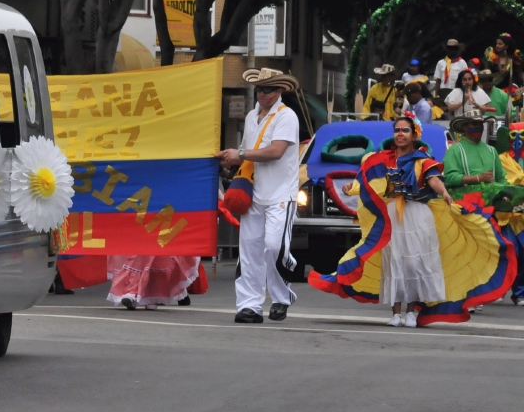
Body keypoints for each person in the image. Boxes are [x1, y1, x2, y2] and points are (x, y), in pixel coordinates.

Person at [310, 115, 511, 326]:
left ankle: (412, 312)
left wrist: (444, 192)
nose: (400, 134)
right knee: (395, 261)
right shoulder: (382, 159)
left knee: (416, 263)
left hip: (417, 215)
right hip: (392, 217)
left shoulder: (422, 159)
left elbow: (433, 179)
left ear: (414, 135)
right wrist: (351, 188)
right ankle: (396, 313)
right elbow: (369, 180)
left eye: (405, 130)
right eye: (397, 130)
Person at [216, 67, 302, 324]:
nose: (262, 94)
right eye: (260, 89)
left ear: (280, 91)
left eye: (268, 89)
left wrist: (239, 155)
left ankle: (281, 297)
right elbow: (247, 150)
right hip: (253, 192)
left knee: (274, 247)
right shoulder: (253, 116)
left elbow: (275, 152)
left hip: (280, 194)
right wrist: (230, 158)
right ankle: (249, 306)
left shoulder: (287, 116)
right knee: (250, 251)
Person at [442, 109, 504, 199]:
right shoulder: (455, 150)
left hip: (493, 202)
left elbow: (501, 179)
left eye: (481, 124)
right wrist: (479, 178)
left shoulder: (492, 150)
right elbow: (449, 178)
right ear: (464, 127)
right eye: (474, 124)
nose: (479, 128)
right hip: (466, 204)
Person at [107, 256, 207, 309]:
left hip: (162, 228)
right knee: (138, 258)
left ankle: (149, 297)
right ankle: (134, 294)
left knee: (159, 262)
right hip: (146, 226)